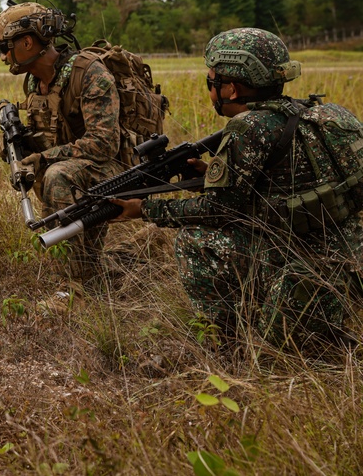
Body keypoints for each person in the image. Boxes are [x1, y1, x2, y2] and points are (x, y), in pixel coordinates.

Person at [113, 28, 363, 351]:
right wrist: (211, 178)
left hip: (306, 268)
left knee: (194, 241)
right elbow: (284, 192)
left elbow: (219, 211)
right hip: (350, 259)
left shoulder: (250, 127)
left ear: (231, 89)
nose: (211, 90)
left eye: (211, 82)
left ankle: (228, 342)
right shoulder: (317, 114)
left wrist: (144, 209)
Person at [0, 1, 121, 282]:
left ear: (27, 42)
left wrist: (46, 158)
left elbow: (104, 144)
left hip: (115, 171)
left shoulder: (90, 74)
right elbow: (49, 136)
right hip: (77, 170)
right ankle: (82, 269)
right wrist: (16, 146)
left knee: (56, 174)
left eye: (4, 48)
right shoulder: (35, 82)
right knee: (54, 173)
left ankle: (72, 287)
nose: (2, 57)